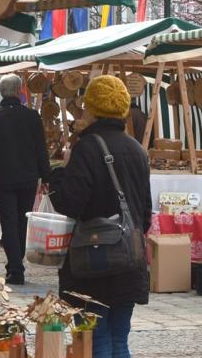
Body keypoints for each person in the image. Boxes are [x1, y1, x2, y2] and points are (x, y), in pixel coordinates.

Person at [48, 75, 152, 358]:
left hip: (93, 264)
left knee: (96, 341)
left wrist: (58, 174)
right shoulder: (137, 150)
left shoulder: (87, 147)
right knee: (119, 340)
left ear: (92, 107)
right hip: (129, 260)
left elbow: (70, 202)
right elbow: (145, 215)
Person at [0, 75, 51, 285]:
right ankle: (16, 265)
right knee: (22, 221)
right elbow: (40, 149)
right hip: (28, 177)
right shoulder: (32, 117)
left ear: (1, 93)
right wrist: (46, 176)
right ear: (20, 92)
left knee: (8, 222)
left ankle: (15, 268)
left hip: (3, 178)